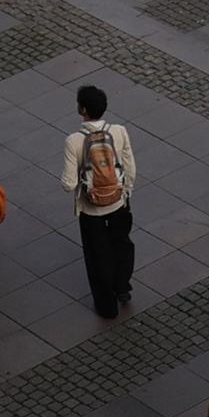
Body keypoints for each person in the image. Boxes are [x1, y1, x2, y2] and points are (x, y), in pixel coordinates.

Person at [61, 82, 141, 318]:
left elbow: (68, 184)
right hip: (118, 202)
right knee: (122, 245)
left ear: (82, 109)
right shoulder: (119, 131)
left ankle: (107, 307)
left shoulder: (73, 140)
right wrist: (125, 190)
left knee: (98, 256)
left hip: (91, 210)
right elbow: (130, 167)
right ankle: (123, 287)